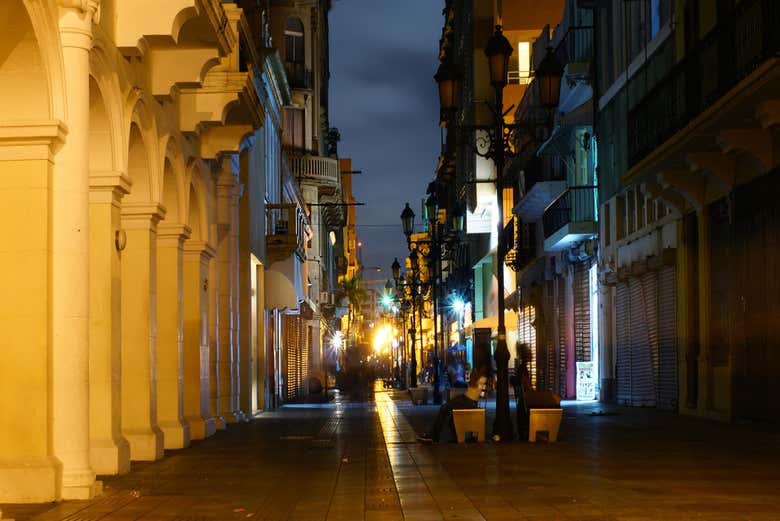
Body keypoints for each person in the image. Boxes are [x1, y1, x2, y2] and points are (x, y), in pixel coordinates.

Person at [417, 366, 490, 443]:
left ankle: (433, 435)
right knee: (446, 410)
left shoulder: (482, 379)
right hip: (465, 398)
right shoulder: (479, 378)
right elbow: (474, 385)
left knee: (445, 408)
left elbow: (478, 387)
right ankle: (436, 435)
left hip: (468, 401)